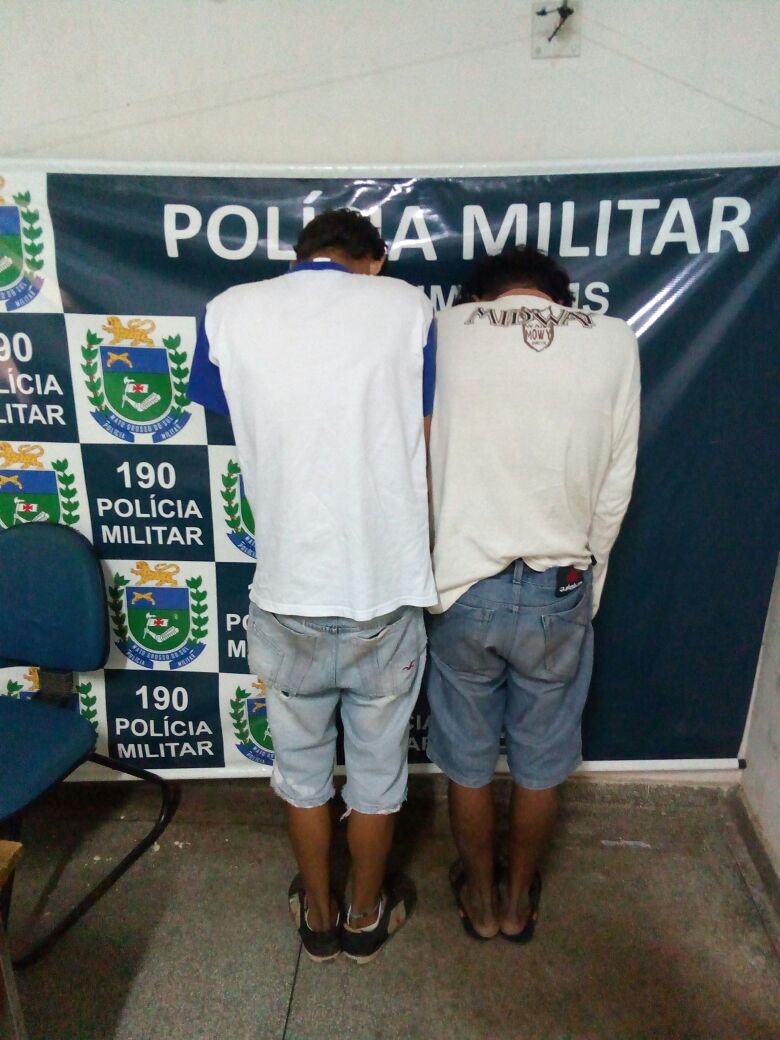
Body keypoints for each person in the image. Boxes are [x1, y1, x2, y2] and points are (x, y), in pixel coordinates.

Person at [187, 208, 437, 962]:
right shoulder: (407, 306)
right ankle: (365, 915)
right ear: (374, 260)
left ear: (299, 254)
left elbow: (227, 404)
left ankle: (318, 917)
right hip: (383, 597)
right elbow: (425, 423)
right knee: (377, 778)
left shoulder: (228, 311)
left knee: (301, 776)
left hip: (288, 594)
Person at [426, 245, 640, 942]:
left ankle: (480, 900)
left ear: (477, 297)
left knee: (467, 762)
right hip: (560, 581)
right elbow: (616, 482)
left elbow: (417, 462)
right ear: (559, 298)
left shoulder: (442, 332)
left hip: (464, 583)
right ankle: (519, 902)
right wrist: (587, 581)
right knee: (541, 763)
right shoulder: (613, 341)